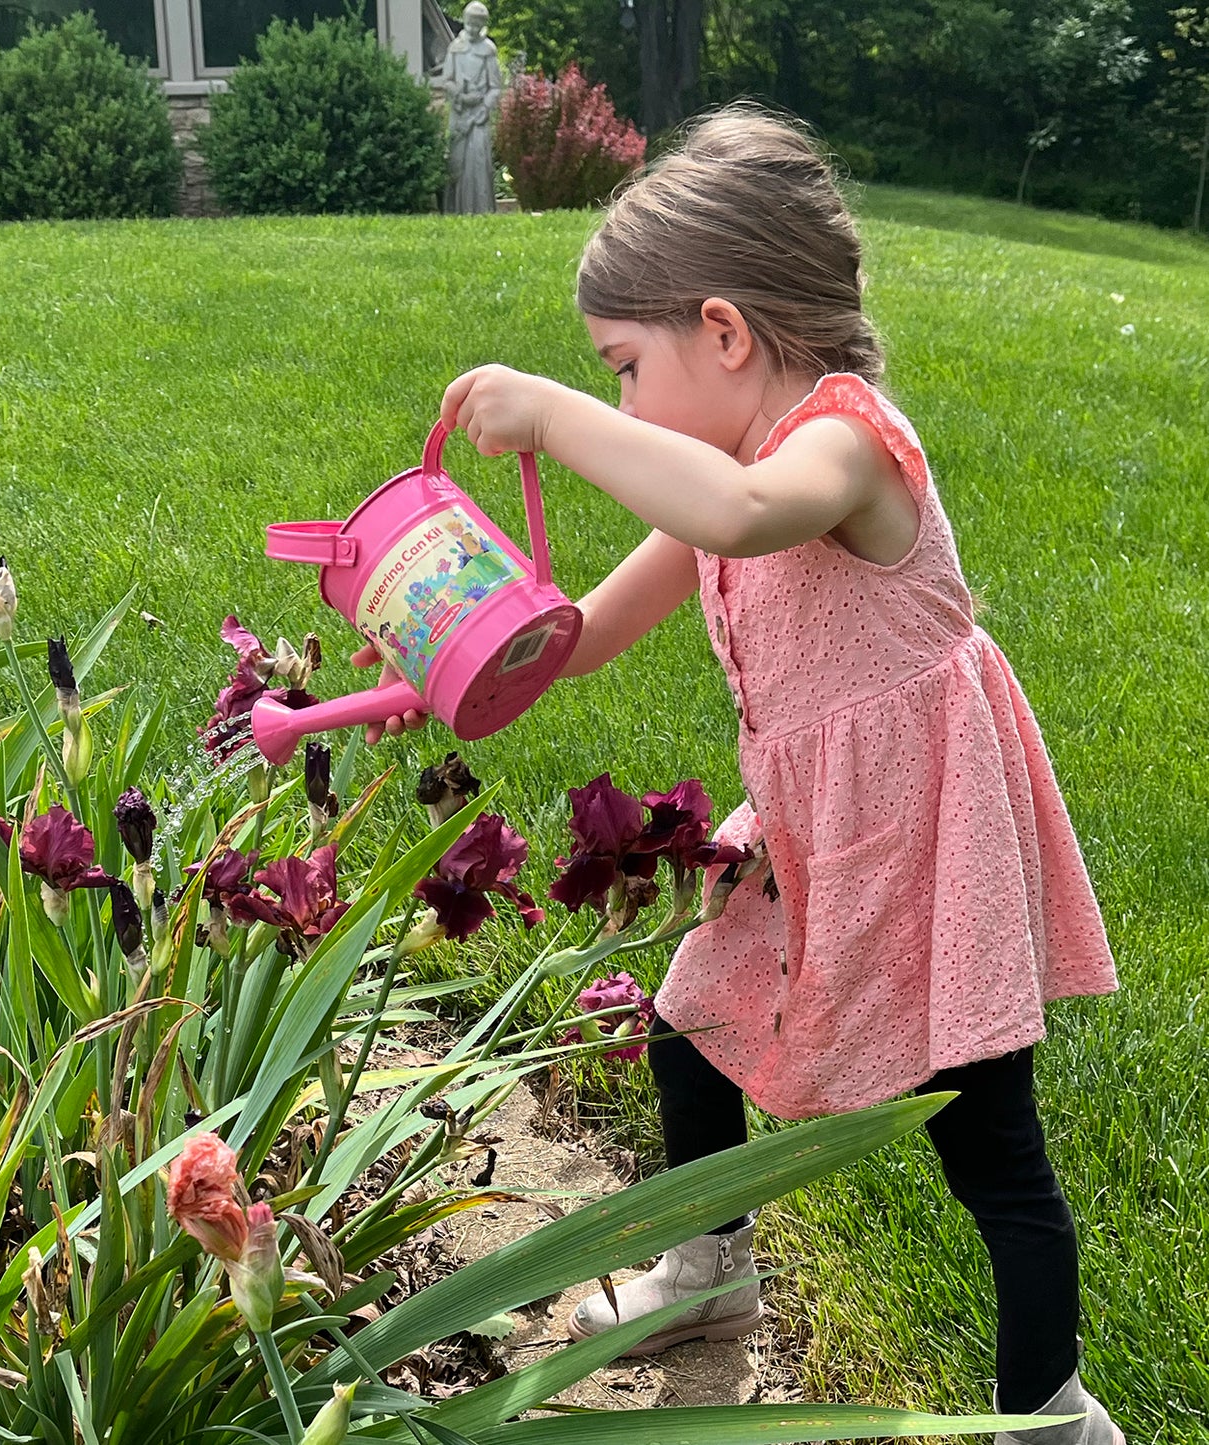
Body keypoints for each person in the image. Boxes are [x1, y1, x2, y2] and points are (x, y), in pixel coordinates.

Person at [353, 104, 1124, 1445]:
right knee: (692, 1020)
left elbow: (741, 516)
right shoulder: (725, 467)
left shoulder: (838, 444)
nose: (624, 400)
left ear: (721, 331)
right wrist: (445, 642)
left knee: (983, 1138)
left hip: (929, 835)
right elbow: (581, 635)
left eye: (625, 365)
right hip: (809, 826)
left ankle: (1050, 1413)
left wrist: (556, 418)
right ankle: (708, 1272)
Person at [437, 0, 501, 214]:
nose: (472, 29)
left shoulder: (488, 50)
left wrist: (483, 106)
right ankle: (456, 209)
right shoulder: (455, 48)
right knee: (458, 163)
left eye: (477, 25)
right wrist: (460, 96)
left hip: (479, 116)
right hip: (460, 113)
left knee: (479, 163)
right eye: (469, 24)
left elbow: (495, 87)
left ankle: (481, 210)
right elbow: (446, 80)